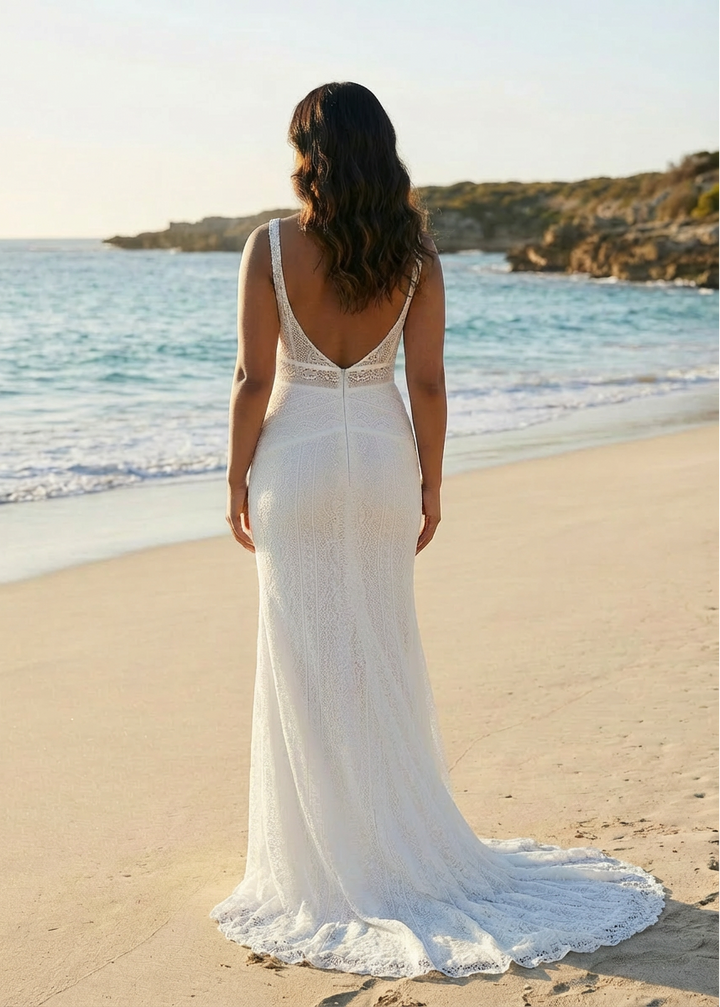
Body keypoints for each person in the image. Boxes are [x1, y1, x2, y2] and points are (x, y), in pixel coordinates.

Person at [210, 82, 663, 978]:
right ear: (381, 149)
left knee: (305, 655)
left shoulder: (269, 247)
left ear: (310, 151)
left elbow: (251, 380)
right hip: (382, 460)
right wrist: (432, 482)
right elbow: (428, 386)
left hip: (295, 468)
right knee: (378, 647)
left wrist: (234, 476)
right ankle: (392, 839)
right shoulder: (416, 255)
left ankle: (321, 853)